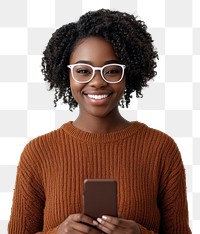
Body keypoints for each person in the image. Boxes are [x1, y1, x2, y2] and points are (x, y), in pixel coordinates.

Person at [8, 9, 191, 234]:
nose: (97, 82)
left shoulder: (161, 149)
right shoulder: (38, 152)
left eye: (111, 71)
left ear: (129, 74)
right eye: (83, 71)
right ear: (67, 75)